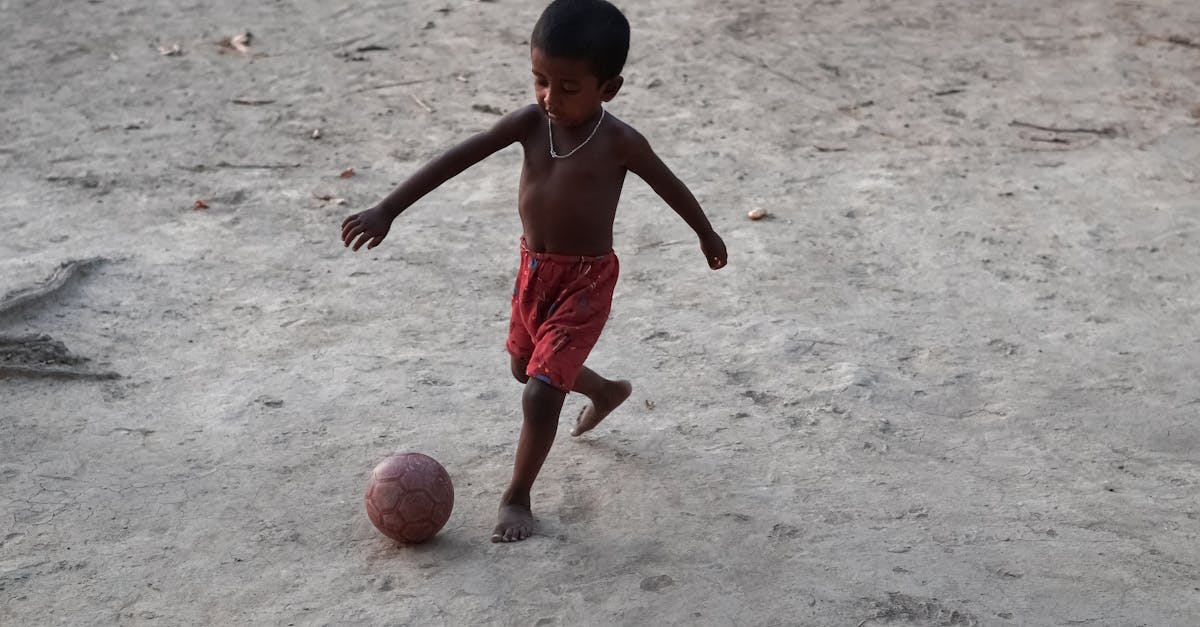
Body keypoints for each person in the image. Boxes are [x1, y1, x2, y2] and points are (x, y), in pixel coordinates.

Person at [340, 0, 728, 543]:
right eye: (540, 80)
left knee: (541, 391)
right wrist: (389, 208)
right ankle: (606, 391)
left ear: (608, 88)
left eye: (568, 87)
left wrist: (705, 233)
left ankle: (516, 498)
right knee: (527, 370)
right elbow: (461, 156)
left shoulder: (621, 142)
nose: (549, 97)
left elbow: (670, 186)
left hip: (586, 282)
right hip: (534, 270)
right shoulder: (529, 122)